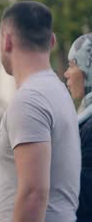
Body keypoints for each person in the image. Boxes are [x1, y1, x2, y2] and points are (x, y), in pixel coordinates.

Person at [0, 1, 81, 222]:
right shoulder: (58, 91)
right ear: (51, 41)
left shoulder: (29, 101)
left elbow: (34, 194)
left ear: (7, 40)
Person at [64, 33, 92, 221]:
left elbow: (84, 199)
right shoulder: (85, 118)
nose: (66, 73)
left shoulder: (90, 128)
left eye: (72, 64)